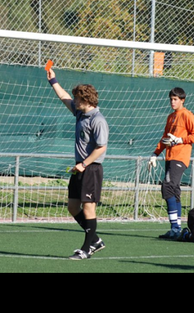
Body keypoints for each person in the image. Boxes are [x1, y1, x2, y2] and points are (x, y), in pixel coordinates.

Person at [46, 65, 109, 260]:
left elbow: (101, 147)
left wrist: (84, 164)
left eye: (78, 98)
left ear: (86, 100)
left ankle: (87, 249)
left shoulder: (98, 120)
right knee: (73, 207)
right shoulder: (81, 113)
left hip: (91, 169)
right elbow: (64, 97)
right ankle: (96, 240)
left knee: (89, 208)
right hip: (79, 168)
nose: (74, 101)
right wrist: (52, 80)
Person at [147, 87, 194, 240]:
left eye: (175, 99)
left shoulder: (187, 115)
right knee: (174, 191)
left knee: (168, 186)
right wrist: (155, 154)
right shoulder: (171, 117)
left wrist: (180, 140)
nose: (172, 102)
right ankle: (176, 229)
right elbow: (165, 138)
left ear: (182, 100)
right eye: (171, 99)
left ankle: (175, 228)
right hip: (169, 157)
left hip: (180, 157)